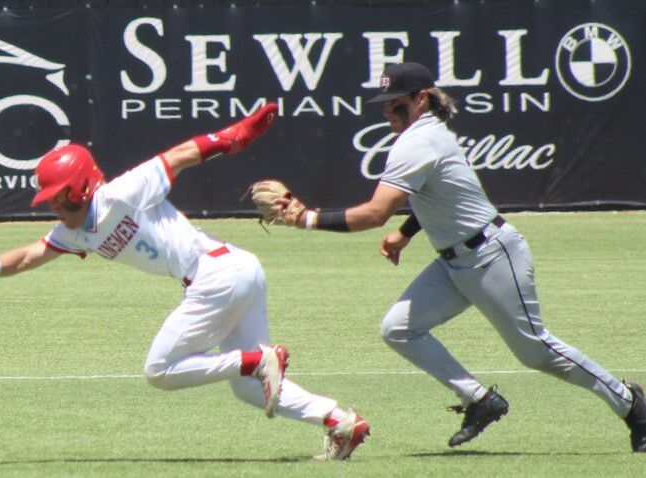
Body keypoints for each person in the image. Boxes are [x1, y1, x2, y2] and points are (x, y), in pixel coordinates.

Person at [264, 62, 646, 451]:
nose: (386, 111)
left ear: (421, 99)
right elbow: (439, 194)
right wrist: (406, 232)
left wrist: (305, 218)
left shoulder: (418, 141)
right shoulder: (424, 135)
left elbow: (374, 213)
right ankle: (479, 399)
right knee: (398, 328)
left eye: (395, 103)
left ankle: (631, 403)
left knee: (536, 351)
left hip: (493, 257)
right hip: (454, 262)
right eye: (384, 104)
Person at [0, 103, 370, 460]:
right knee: (247, 390)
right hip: (237, 272)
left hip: (216, 276)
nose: (51, 203)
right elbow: (31, 254)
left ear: (82, 188)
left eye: (58, 195)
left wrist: (236, 135)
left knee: (159, 370)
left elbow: (180, 155)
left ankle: (257, 359)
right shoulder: (73, 230)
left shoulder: (120, 193)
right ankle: (340, 421)